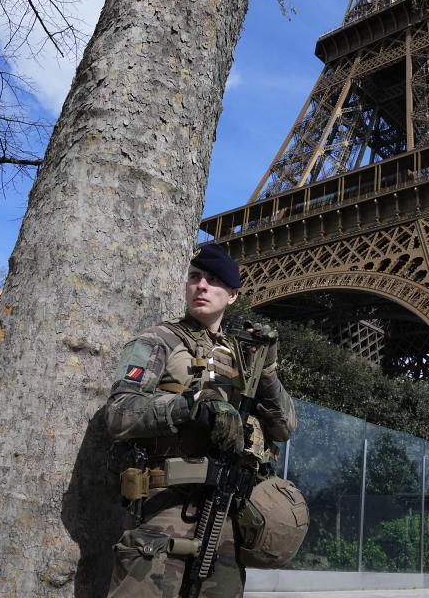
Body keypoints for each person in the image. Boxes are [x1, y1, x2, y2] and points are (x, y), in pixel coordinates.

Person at [105, 244, 297, 598]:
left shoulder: (243, 358)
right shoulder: (158, 340)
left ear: (233, 295)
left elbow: (284, 428)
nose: (201, 286)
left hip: (226, 512)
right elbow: (119, 413)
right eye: (195, 278)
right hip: (164, 508)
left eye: (213, 280)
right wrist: (191, 406)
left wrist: (266, 370)